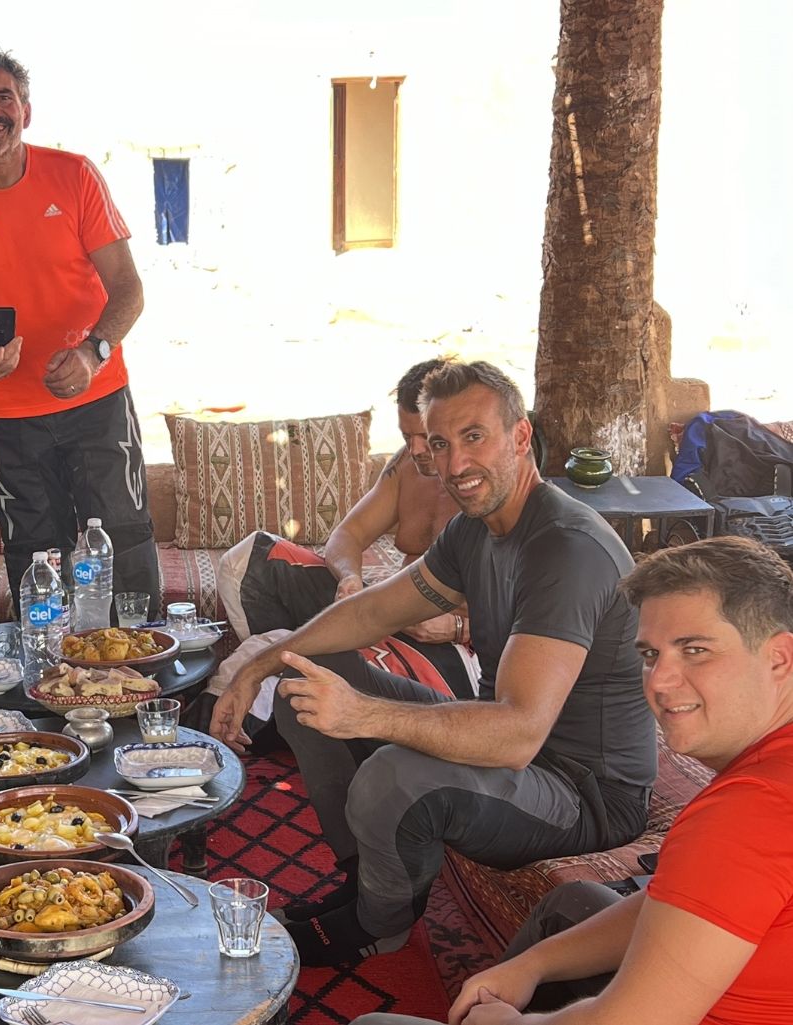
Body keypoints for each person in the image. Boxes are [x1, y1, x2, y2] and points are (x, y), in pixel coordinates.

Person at [209, 360, 656, 968]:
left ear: (520, 437)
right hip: (510, 742)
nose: (454, 464)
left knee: (394, 774)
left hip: (584, 792)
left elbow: (518, 735)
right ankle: (364, 883)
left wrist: (365, 714)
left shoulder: (565, 547)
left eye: (474, 437)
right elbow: (373, 611)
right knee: (303, 674)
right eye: (440, 444)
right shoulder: (477, 529)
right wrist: (258, 665)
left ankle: (377, 926)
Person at [352, 535, 793, 1025]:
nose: (659, 681)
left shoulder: (744, 816)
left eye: (695, 650)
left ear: (778, 657)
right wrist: (532, 964)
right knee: (571, 903)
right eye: (650, 654)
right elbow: (675, 899)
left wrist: (506, 1023)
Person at [0, 49, 160, 617]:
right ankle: (49, 665)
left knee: (123, 539)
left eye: (4, 97)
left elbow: (128, 288)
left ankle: (141, 663)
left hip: (97, 399)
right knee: (34, 554)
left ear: (26, 110)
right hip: (9, 413)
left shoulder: (74, 175)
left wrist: (93, 352)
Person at [208, 359, 477, 746]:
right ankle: (290, 672)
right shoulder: (407, 464)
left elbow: (533, 614)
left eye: (427, 437)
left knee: (280, 655)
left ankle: (275, 709)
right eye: (408, 436)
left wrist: (459, 629)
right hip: (388, 613)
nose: (417, 449)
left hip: (452, 651)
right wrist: (350, 577)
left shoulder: (485, 489)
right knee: (249, 558)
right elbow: (347, 535)